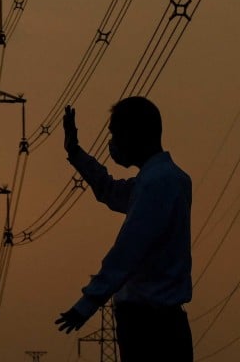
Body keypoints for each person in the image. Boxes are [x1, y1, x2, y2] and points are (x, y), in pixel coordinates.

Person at [54, 96, 193, 362]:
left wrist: (87, 304)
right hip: (154, 323)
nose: (114, 144)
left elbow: (128, 252)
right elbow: (111, 190)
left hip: (151, 328)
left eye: (117, 135)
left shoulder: (158, 183)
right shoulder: (159, 180)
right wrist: (75, 152)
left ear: (135, 134)